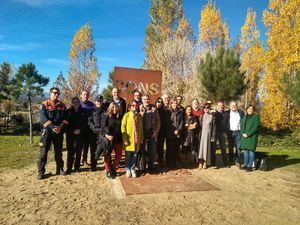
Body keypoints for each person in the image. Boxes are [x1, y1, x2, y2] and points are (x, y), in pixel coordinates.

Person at [37, 87, 68, 179]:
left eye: (58, 94)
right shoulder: (44, 105)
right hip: (47, 132)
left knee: (58, 152)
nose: (56, 95)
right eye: (55, 93)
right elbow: (43, 119)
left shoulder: (62, 105)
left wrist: (60, 127)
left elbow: (66, 119)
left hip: (58, 132)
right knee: (43, 153)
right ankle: (41, 172)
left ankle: (60, 168)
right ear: (50, 93)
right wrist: (52, 127)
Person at [100, 102, 123, 178]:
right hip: (109, 139)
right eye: (113, 107)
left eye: (116, 107)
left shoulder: (119, 116)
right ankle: (108, 170)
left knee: (119, 155)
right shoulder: (106, 116)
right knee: (107, 155)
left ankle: (113, 168)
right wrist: (106, 135)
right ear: (110, 108)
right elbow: (102, 129)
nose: (114, 109)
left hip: (118, 138)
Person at [138, 94, 161, 173]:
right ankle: (142, 167)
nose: (146, 101)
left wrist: (156, 131)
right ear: (142, 100)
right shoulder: (138, 108)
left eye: (147, 99)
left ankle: (151, 167)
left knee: (152, 150)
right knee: (142, 150)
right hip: (142, 132)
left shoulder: (154, 108)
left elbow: (158, 121)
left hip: (151, 131)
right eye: (144, 99)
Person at [65, 97, 87, 175]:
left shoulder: (83, 112)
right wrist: (73, 130)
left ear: (79, 103)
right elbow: (66, 123)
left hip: (80, 134)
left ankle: (77, 167)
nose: (76, 103)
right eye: (74, 102)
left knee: (78, 151)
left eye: (77, 102)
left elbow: (85, 123)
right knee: (70, 152)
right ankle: (69, 168)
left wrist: (80, 130)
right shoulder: (68, 112)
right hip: (70, 134)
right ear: (72, 103)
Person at [121, 100, 144, 178]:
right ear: (130, 107)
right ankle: (127, 169)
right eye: (133, 105)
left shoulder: (140, 116)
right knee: (128, 155)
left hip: (136, 139)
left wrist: (141, 138)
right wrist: (125, 139)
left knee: (134, 155)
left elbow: (141, 128)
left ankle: (132, 169)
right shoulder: (126, 115)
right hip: (129, 139)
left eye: (136, 105)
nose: (134, 107)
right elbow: (123, 127)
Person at [88, 95, 106, 171]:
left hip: (102, 133)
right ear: (95, 101)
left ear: (102, 101)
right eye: (98, 101)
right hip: (93, 133)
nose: (99, 102)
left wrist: (102, 130)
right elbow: (89, 122)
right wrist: (95, 129)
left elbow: (107, 122)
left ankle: (107, 166)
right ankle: (93, 166)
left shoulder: (105, 111)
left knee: (103, 150)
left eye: (100, 101)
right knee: (93, 150)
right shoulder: (91, 111)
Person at [240, 105, 260, 172]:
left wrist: (248, 134)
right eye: (249, 109)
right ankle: (245, 164)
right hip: (244, 136)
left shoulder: (256, 117)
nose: (250, 110)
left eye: (251, 109)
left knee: (251, 151)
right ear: (246, 110)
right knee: (245, 151)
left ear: (253, 110)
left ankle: (250, 166)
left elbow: (255, 127)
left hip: (252, 137)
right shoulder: (244, 117)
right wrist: (242, 133)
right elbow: (241, 125)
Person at [165, 98, 184, 168]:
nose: (175, 104)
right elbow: (167, 122)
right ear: (171, 104)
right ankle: (169, 162)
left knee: (176, 148)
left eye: (176, 103)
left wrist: (178, 130)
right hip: (170, 133)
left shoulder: (180, 111)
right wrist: (173, 130)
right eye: (173, 103)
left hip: (178, 133)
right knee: (170, 148)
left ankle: (174, 162)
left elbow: (182, 121)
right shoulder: (168, 112)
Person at [198, 103, 216, 169]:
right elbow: (199, 126)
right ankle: (200, 162)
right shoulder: (201, 116)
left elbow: (214, 127)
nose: (206, 109)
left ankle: (205, 162)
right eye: (205, 108)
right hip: (202, 135)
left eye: (207, 107)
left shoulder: (212, 116)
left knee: (207, 149)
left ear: (209, 108)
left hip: (208, 135)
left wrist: (213, 136)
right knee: (201, 149)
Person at [226, 101, 244, 166]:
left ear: (237, 106)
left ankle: (237, 160)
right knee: (230, 147)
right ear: (230, 106)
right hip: (230, 132)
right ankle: (230, 160)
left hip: (238, 132)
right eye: (232, 105)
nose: (234, 106)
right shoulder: (227, 113)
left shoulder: (241, 113)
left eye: (235, 105)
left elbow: (243, 122)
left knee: (238, 147)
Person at [212, 101, 230, 168]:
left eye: (222, 105)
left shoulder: (226, 114)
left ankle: (225, 163)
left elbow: (228, 124)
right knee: (213, 148)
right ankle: (213, 162)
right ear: (217, 106)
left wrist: (226, 132)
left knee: (223, 148)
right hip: (215, 133)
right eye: (219, 105)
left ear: (223, 106)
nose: (221, 107)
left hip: (222, 133)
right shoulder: (214, 114)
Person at [80, 90, 95, 166]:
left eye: (87, 94)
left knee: (88, 145)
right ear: (81, 95)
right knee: (82, 145)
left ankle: (86, 159)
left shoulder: (91, 104)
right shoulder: (78, 104)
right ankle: (81, 160)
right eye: (84, 94)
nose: (86, 96)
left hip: (90, 128)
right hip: (81, 128)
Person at [155, 97, 166, 167]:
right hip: (154, 131)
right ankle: (154, 160)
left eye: (161, 102)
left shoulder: (164, 111)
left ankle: (160, 160)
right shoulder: (153, 110)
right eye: (158, 102)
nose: (159, 103)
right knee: (154, 147)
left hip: (162, 132)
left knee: (161, 147)